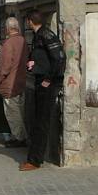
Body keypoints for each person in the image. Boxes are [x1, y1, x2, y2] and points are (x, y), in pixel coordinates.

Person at [22, 10, 66, 171]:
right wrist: (34, 64)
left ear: (29, 21)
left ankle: (35, 160)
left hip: (47, 84)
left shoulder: (46, 35)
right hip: (40, 81)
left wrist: (48, 79)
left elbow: (59, 58)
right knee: (36, 121)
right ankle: (34, 158)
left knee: (41, 122)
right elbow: (46, 58)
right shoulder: (39, 35)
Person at [0, 16, 30, 149]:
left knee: (12, 112)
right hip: (22, 81)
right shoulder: (23, 41)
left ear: (8, 29)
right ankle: (22, 136)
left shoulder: (8, 43)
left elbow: (5, 67)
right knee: (20, 111)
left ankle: (19, 137)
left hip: (10, 84)